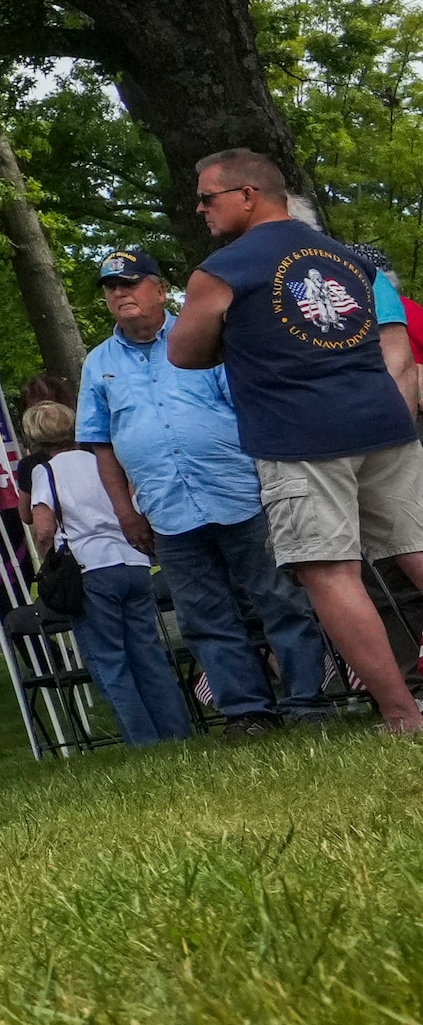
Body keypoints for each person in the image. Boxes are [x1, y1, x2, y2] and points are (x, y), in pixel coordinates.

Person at [162, 150, 423, 732]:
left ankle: (403, 714)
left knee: (329, 571)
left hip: (300, 434)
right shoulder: (350, 258)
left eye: (209, 197)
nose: (200, 208)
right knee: (415, 549)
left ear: (249, 195)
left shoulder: (223, 270)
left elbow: (182, 351)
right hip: (383, 420)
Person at [78, 247, 324, 733]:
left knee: (279, 599)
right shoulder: (97, 364)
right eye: (111, 287)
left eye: (130, 282)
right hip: (165, 509)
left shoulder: (203, 338)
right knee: (204, 618)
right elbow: (101, 446)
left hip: (240, 494)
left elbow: (250, 409)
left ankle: (308, 703)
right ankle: (246, 712)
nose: (121, 293)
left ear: (158, 287)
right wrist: (125, 513)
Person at [21, 399, 189, 746]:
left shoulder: (46, 472)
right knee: (148, 654)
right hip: (133, 561)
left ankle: (142, 740)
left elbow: (42, 528)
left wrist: (49, 558)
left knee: (109, 660)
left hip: (90, 567)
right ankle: (177, 733)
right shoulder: (103, 462)